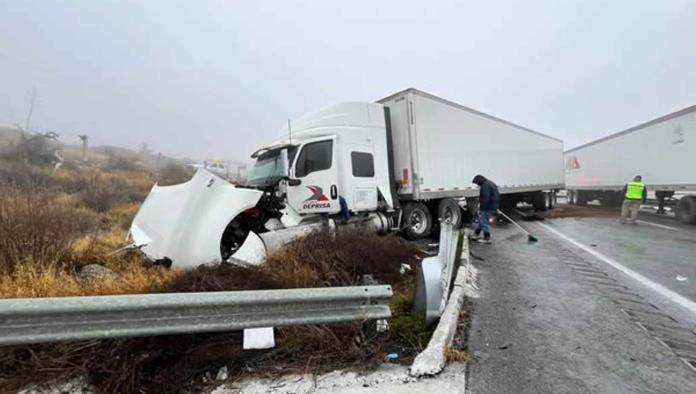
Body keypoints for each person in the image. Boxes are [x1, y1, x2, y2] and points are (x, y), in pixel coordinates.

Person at [472, 174, 500, 244]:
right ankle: (475, 234)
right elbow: (498, 194)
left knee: (484, 222)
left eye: (477, 183)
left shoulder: (485, 186)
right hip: (493, 206)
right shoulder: (491, 183)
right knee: (482, 221)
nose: (478, 185)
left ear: (479, 181)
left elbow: (485, 198)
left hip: (487, 208)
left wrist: (481, 209)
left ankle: (487, 238)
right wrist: (496, 206)